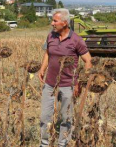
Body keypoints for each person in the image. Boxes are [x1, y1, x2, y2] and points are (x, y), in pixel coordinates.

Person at [38, 8, 92, 147]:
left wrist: (80, 82)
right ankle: (44, 144)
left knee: (66, 118)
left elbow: (88, 61)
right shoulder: (51, 36)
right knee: (44, 116)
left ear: (65, 23)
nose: (52, 23)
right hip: (50, 84)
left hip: (68, 85)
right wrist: (42, 68)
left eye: (55, 21)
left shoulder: (76, 40)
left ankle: (63, 144)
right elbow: (48, 53)